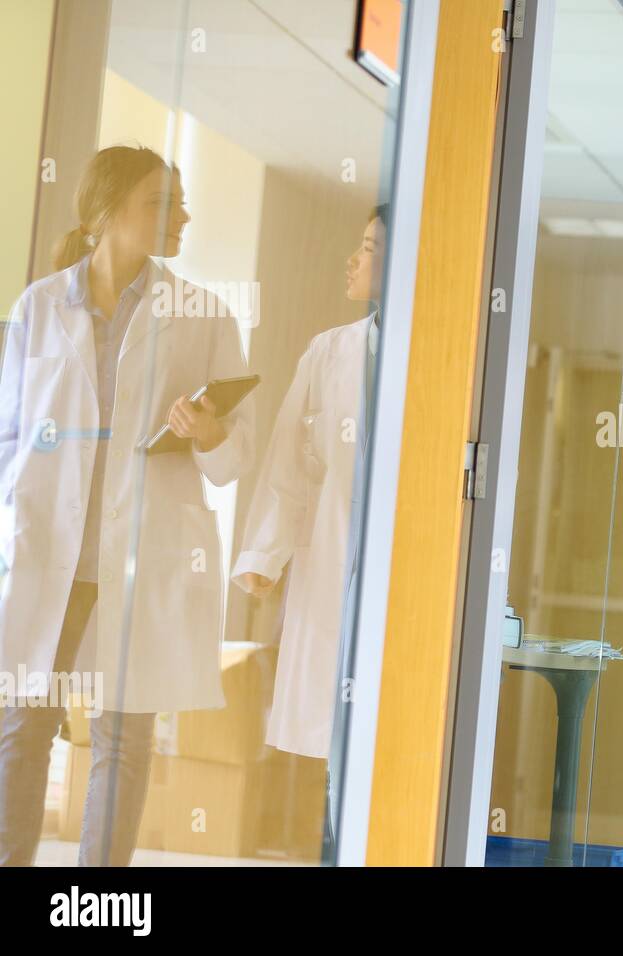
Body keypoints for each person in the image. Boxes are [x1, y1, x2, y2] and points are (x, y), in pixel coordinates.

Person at [0, 145, 253, 865]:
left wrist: (208, 433)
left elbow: (236, 456)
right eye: (162, 202)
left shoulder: (203, 316)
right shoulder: (40, 307)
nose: (183, 216)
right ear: (108, 213)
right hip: (48, 555)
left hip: (141, 560)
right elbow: (8, 436)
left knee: (123, 738)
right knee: (24, 727)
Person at [231, 207, 386, 859]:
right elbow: (288, 464)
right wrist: (266, 553)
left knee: (384, 738)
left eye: (370, 248)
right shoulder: (330, 351)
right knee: (335, 739)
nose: (352, 259)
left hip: (397, 570)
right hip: (331, 561)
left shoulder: (436, 350)